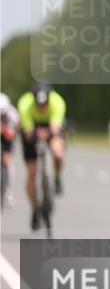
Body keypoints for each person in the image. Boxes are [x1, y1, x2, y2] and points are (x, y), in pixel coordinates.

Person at [17, 82, 67, 230]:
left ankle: (57, 177)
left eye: (44, 104)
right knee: (32, 173)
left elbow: (55, 128)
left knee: (57, 151)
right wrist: (33, 134)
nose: (42, 107)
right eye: (39, 104)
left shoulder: (58, 102)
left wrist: (49, 134)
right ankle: (34, 209)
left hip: (50, 126)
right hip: (32, 129)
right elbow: (27, 131)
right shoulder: (25, 104)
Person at [1, 92, 19, 207]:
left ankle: (8, 190)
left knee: (7, 161)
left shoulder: (12, 114)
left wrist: (6, 130)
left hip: (7, 136)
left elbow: (16, 129)